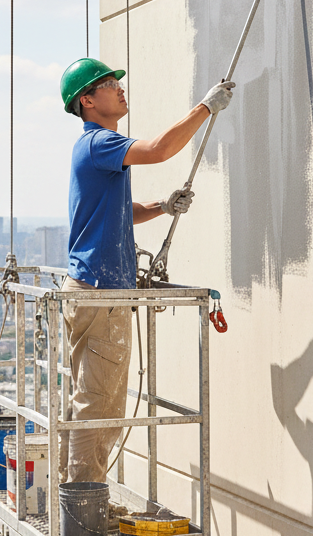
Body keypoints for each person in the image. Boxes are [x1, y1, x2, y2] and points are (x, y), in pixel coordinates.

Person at [57, 57, 235, 484]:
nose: (120, 89)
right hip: (101, 295)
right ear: (87, 100)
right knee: (99, 407)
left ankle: (79, 495)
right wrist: (205, 108)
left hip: (94, 292)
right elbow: (158, 149)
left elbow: (115, 213)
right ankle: (83, 502)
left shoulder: (98, 150)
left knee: (93, 404)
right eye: (107, 84)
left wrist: (160, 206)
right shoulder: (100, 143)